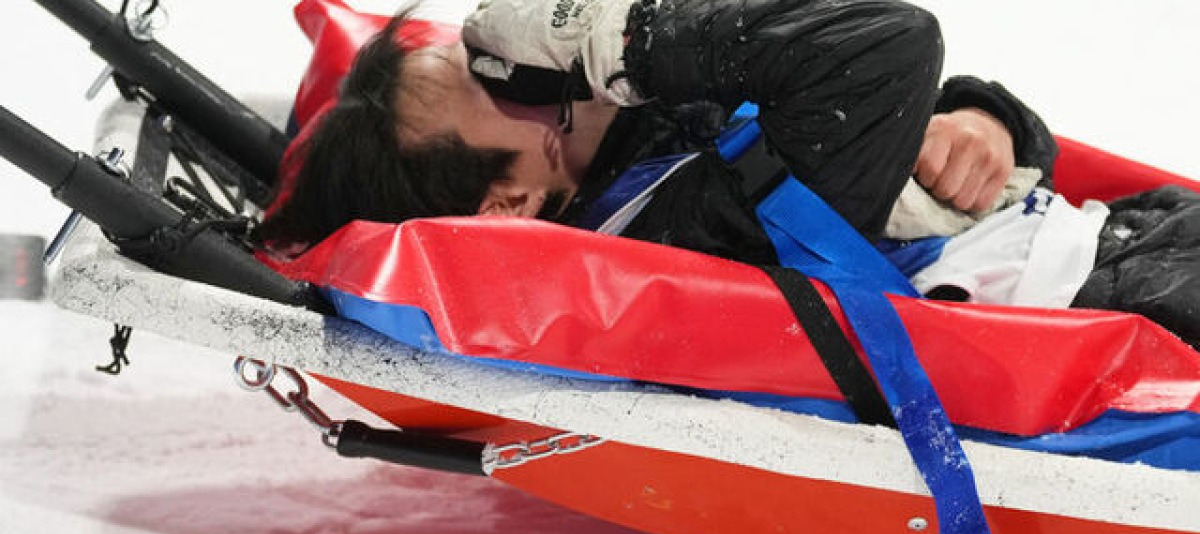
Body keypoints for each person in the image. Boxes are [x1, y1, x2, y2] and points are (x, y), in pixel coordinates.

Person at [255, 0, 1197, 349]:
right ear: (509, 200)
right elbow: (883, 45)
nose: (542, 69)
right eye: (509, 87)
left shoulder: (648, 140)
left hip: (1131, 236)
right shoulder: (672, 242)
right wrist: (624, 40)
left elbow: (899, 89)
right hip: (1119, 305)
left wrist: (984, 117)